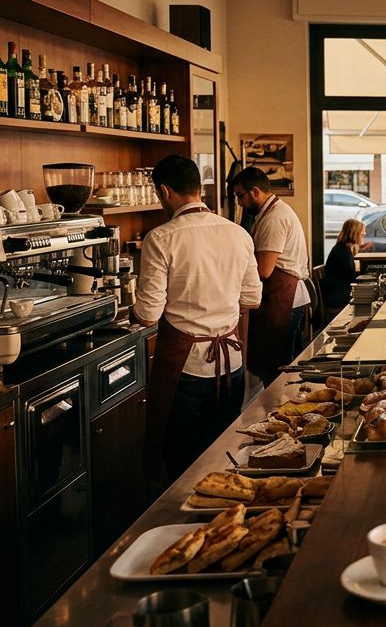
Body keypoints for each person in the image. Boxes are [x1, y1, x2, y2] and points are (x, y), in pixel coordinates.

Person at [133, 155, 261, 486]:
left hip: (185, 367)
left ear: (164, 191)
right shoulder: (238, 234)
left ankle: (182, 527)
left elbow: (148, 313)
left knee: (182, 463)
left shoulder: (160, 238)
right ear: (199, 189)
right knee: (223, 454)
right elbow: (252, 299)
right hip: (231, 362)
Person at [232, 167, 311, 388]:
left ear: (255, 191)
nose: (239, 203)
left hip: (283, 302)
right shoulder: (272, 212)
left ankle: (279, 418)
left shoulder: (274, 218)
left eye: (240, 196)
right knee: (279, 370)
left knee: (278, 374)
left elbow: (264, 270)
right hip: (283, 299)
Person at [322, 218, 364, 312]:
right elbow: (352, 277)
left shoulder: (342, 248)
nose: (363, 235)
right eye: (362, 234)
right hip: (338, 297)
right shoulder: (342, 252)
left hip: (338, 293)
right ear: (354, 233)